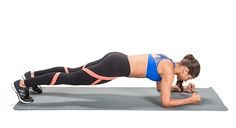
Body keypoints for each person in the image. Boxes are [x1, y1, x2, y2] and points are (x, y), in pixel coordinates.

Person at [12, 52, 201, 107]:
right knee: (71, 78)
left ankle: (33, 76)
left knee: (73, 70)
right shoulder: (168, 71)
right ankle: (22, 85)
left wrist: (182, 89)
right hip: (115, 67)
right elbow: (165, 102)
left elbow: (162, 88)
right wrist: (190, 100)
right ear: (185, 69)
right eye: (188, 76)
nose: (186, 78)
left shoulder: (167, 61)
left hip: (116, 58)